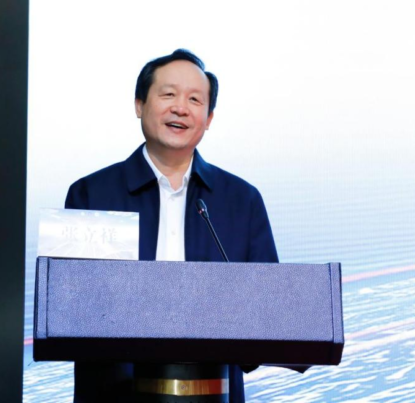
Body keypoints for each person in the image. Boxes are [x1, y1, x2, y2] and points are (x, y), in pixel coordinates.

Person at [65, 49, 278, 402]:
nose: (181, 108)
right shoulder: (92, 194)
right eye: (168, 95)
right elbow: (73, 310)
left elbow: (267, 315)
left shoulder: (242, 201)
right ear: (139, 104)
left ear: (209, 118)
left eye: (195, 100)